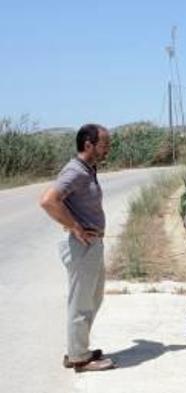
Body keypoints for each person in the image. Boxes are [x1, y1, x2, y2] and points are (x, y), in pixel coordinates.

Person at [39, 124, 116, 372]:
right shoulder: (76, 171)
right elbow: (48, 200)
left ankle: (77, 348)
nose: (108, 150)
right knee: (81, 302)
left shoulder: (87, 170)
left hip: (91, 246)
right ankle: (79, 357)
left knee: (93, 298)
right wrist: (75, 227)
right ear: (88, 145)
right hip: (82, 247)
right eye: (104, 144)